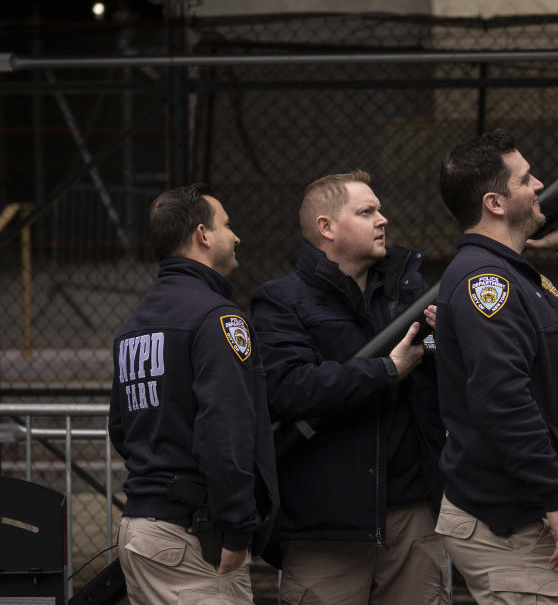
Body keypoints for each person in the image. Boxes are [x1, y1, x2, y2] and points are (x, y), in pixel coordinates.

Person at [434, 130, 558, 604]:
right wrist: (554, 497)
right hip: (515, 525)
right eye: (525, 180)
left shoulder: (526, 278)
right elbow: (503, 400)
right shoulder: (488, 281)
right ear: (495, 203)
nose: (540, 184)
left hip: (534, 520)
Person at [250, 170, 449, 605]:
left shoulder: (407, 290)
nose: (383, 220)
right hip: (328, 525)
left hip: (412, 514)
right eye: (367, 211)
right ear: (326, 227)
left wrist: (442, 338)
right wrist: (385, 371)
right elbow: (288, 388)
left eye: (379, 210)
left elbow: (436, 373)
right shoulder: (281, 300)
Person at [109, 183, 279, 605]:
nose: (236, 236)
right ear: (203, 235)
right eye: (226, 225)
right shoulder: (217, 318)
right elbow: (227, 431)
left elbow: (120, 427)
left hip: (141, 529)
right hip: (192, 538)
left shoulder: (135, 323)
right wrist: (239, 528)